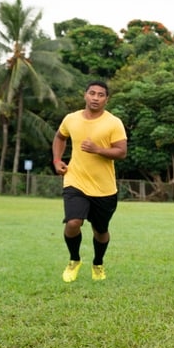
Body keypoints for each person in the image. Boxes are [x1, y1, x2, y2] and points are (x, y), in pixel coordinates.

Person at [52, 81, 127, 283]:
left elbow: (121, 152)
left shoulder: (113, 123)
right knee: (73, 222)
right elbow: (60, 138)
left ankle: (98, 263)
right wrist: (57, 160)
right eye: (92, 93)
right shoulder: (71, 119)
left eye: (100, 95)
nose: (95, 98)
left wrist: (98, 149)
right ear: (85, 95)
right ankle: (74, 260)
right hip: (75, 181)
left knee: (100, 232)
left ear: (106, 99)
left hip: (104, 188)